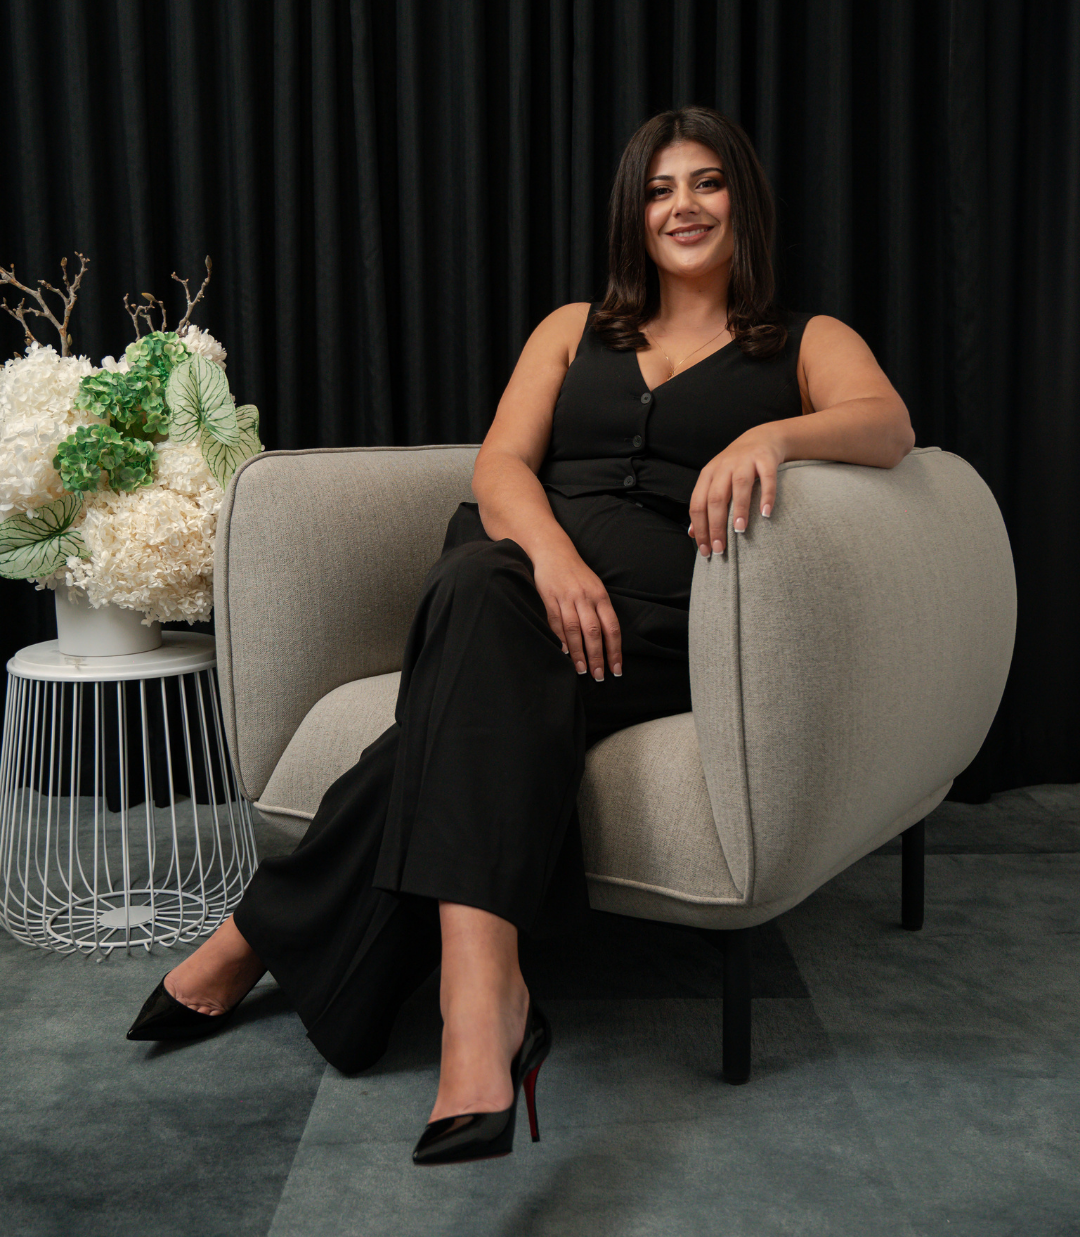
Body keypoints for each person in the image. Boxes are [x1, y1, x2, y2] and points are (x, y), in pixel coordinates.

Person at [126, 106, 916, 1165]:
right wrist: (553, 556)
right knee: (487, 585)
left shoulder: (804, 340)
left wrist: (771, 432)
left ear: (745, 201)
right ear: (633, 215)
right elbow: (499, 468)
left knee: (457, 678)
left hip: (661, 632)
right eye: (657, 189)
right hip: (523, 579)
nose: (682, 206)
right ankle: (482, 1000)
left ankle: (260, 938)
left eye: (707, 183)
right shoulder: (571, 326)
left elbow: (888, 425)